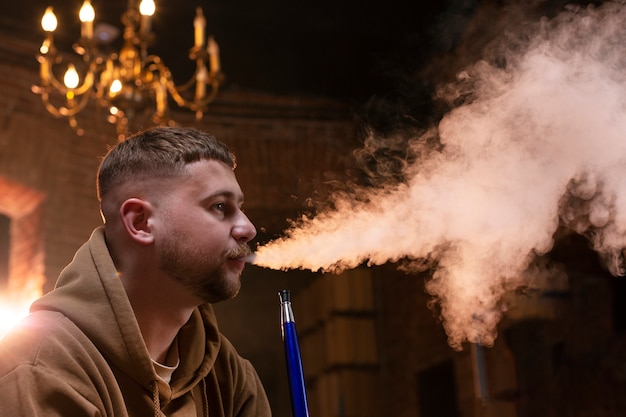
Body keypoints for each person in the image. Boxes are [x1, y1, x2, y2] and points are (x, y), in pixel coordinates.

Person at [0, 126, 272, 416]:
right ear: (140, 222)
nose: (248, 229)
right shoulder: (40, 367)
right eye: (219, 206)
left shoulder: (229, 375)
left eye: (240, 208)